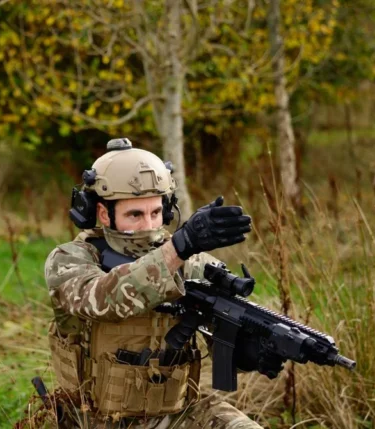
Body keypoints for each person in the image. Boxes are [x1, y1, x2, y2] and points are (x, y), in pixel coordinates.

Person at [44, 138, 262, 428]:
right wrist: (179, 250)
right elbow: (104, 299)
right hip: (94, 417)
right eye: (135, 214)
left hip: (178, 412)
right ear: (103, 214)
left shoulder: (191, 260)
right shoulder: (69, 260)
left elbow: (222, 337)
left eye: (156, 212)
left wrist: (249, 349)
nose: (148, 225)